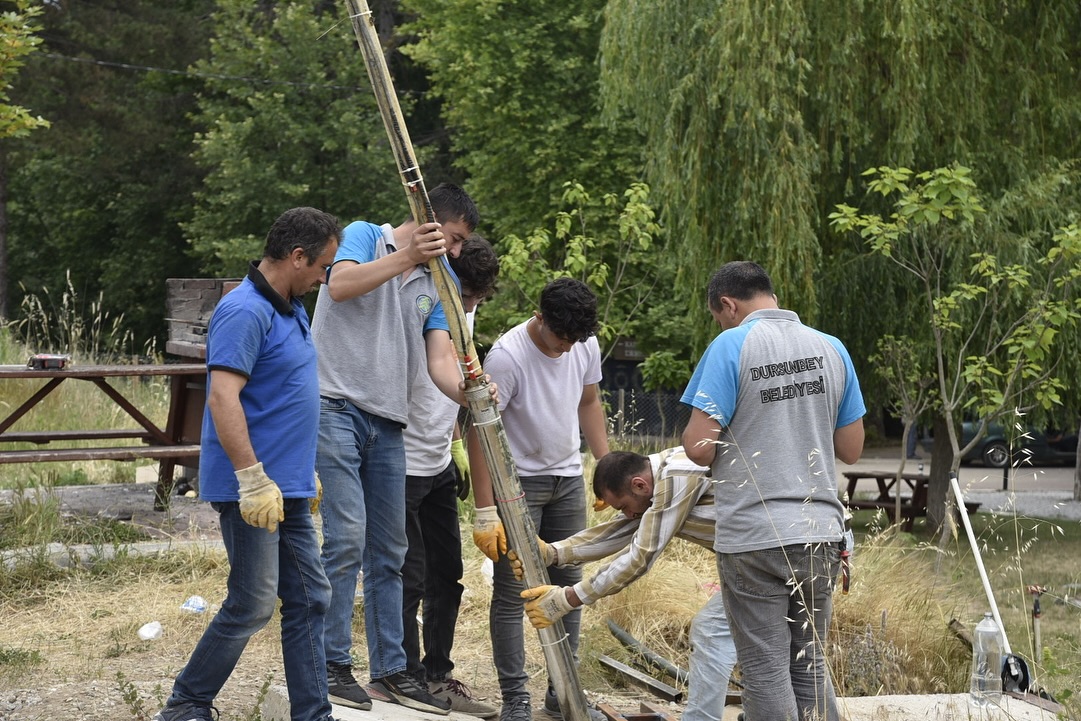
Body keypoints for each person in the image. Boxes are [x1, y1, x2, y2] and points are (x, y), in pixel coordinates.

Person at [153, 207, 342, 721]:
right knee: (253, 602)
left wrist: (305, 471)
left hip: (292, 488)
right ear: (296, 256)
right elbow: (223, 399)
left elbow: (284, 398)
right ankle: (186, 705)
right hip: (253, 490)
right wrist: (253, 479)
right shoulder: (244, 311)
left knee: (310, 598)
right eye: (322, 265)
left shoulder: (290, 306)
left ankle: (313, 713)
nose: (325, 277)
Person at [313, 184, 493, 715]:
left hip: (390, 422)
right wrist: (406, 258)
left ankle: (391, 670)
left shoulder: (439, 282)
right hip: (336, 407)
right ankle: (330, 663)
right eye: (453, 238)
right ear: (427, 219)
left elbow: (440, 363)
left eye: (460, 243)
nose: (456, 251)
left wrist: (472, 393)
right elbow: (339, 285)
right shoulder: (365, 237)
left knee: (390, 552)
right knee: (346, 539)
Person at [679, 261, 866, 721]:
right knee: (809, 664)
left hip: (755, 534)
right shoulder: (832, 348)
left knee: (765, 670)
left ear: (728, 304)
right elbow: (852, 448)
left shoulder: (731, 344)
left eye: (718, 315)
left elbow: (699, 448)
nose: (720, 323)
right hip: (820, 531)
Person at [469, 277, 610, 721]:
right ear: (541, 317)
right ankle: (516, 698)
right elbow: (480, 431)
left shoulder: (583, 344)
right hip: (517, 490)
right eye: (560, 338)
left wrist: (605, 469)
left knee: (568, 590)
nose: (566, 348)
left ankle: (561, 691)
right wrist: (484, 508)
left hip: (568, 479)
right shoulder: (508, 358)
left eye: (575, 340)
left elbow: (589, 401)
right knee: (514, 595)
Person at [517, 447, 737, 721]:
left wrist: (569, 598)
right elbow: (625, 527)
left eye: (622, 506)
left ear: (639, 485)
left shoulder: (678, 475)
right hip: (754, 558)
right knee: (756, 640)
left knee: (712, 633)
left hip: (768, 555)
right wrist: (556, 552)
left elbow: (640, 556)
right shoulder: (657, 479)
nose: (627, 514)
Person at [401, 235, 500, 718]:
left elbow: (454, 378)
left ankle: (438, 675)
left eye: (479, 299)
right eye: (467, 297)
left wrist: (457, 439)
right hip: (401, 461)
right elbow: (424, 372)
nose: (472, 306)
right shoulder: (425, 302)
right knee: (408, 575)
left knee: (448, 575)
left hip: (438, 457)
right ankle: (403, 675)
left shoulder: (466, 308)